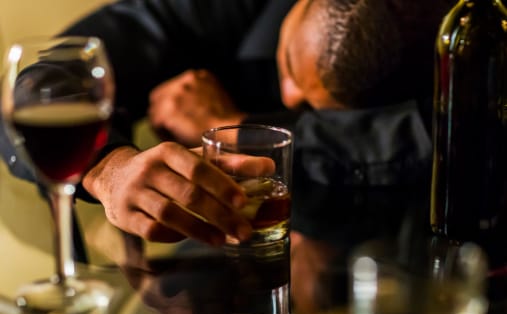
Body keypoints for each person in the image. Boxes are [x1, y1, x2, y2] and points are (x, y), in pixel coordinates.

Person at [0, 0, 452, 248]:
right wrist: (107, 169)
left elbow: (458, 140)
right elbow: (44, 80)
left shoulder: (469, 50)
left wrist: (236, 126)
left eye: (323, 110)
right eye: (291, 66)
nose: (292, 96)